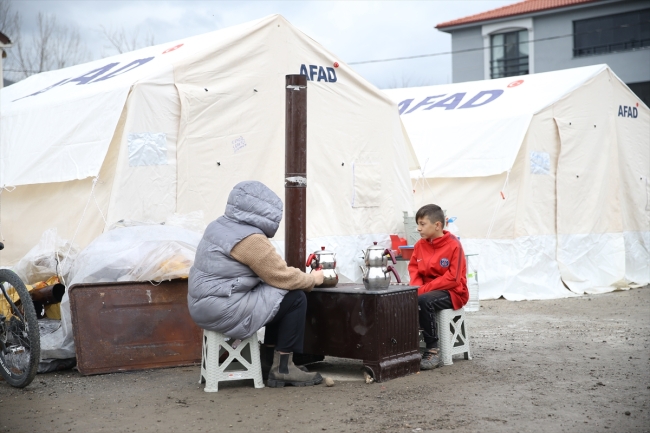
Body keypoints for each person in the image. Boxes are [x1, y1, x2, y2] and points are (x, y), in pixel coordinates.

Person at [188, 180, 324, 387]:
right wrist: (312, 279)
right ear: (265, 211)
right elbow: (281, 276)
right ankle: (284, 368)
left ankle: (267, 360)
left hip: (203, 307)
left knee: (272, 295)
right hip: (223, 309)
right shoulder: (250, 239)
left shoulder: (218, 226)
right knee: (294, 297)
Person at [408, 204, 468, 370]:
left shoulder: (454, 245)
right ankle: (405, 349)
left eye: (422, 224)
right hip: (427, 291)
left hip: (454, 292)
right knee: (401, 298)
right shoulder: (420, 245)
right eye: (417, 224)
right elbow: (415, 270)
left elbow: (453, 279)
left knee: (423, 301)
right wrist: (416, 288)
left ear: (437, 225)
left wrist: (423, 290)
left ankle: (432, 350)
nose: (418, 228)